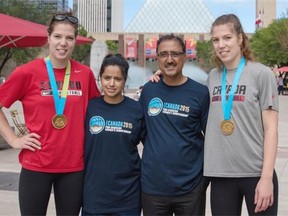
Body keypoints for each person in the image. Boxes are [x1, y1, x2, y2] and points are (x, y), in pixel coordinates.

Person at [0, 11, 100, 215]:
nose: (63, 43)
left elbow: (102, 107)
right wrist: (13, 139)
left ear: (74, 41)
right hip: (36, 164)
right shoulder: (26, 72)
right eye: (58, 36)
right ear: (48, 38)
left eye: (69, 38)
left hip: (74, 167)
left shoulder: (85, 74)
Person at [204, 14, 279, 215]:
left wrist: (266, 178)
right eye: (216, 40)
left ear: (240, 38)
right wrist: (161, 77)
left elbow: (271, 129)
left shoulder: (261, 74)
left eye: (227, 38)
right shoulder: (212, 77)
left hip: (255, 173)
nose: (221, 45)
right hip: (220, 175)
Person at [139, 34, 210, 215]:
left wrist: (202, 180)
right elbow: (142, 131)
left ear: (184, 57)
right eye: (163, 54)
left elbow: (210, 138)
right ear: (157, 58)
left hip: (190, 188)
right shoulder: (148, 91)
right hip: (153, 187)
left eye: (175, 54)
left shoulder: (200, 93)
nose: (169, 60)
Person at [82, 53, 146, 216]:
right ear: (100, 78)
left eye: (117, 79)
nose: (111, 83)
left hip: (128, 197)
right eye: (107, 78)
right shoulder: (89, 108)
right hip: (94, 196)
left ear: (125, 80)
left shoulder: (136, 109)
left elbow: (152, 146)